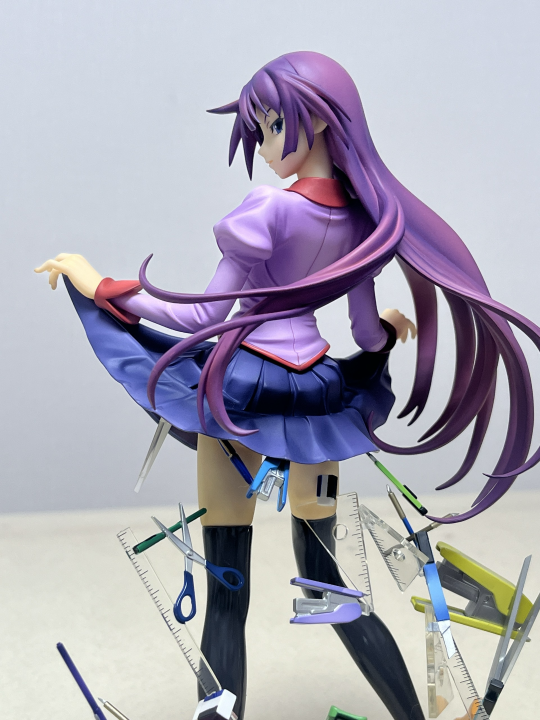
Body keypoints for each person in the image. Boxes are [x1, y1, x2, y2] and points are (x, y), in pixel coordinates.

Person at [35, 51, 540, 720]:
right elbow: (364, 333)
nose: (267, 146)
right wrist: (390, 330)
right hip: (317, 408)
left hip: (240, 400)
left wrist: (100, 284)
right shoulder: (363, 222)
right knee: (331, 586)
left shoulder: (268, 210)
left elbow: (202, 318)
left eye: (274, 125)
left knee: (227, 591)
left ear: (321, 121)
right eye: (263, 129)